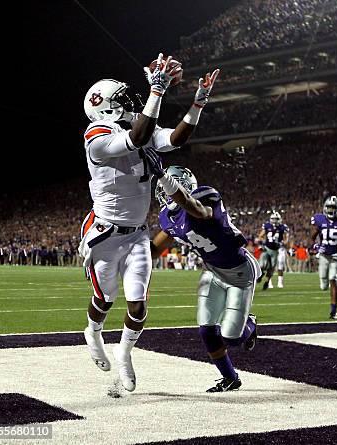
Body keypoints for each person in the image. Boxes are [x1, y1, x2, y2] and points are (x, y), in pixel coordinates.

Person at [80, 53, 219, 392]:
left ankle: (125, 353)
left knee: (138, 304)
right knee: (104, 300)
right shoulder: (97, 133)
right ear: (105, 107)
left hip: (137, 233)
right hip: (105, 232)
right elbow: (138, 138)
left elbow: (175, 140)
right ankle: (93, 331)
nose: (131, 100)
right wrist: (157, 90)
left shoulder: (137, 123)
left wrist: (198, 101)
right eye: (122, 98)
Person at [148, 161, 260, 393]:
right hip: (212, 270)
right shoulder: (167, 218)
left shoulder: (206, 196)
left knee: (231, 337)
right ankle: (230, 378)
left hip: (239, 271)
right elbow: (153, 250)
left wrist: (167, 181)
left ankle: (251, 323)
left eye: (169, 186)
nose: (164, 193)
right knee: (207, 330)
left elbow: (197, 210)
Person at [257, 211, 289, 290]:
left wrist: (282, 243)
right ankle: (261, 275)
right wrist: (263, 242)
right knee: (262, 265)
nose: (275, 221)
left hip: (275, 251)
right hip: (267, 248)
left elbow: (286, 239)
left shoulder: (282, 227)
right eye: (273, 219)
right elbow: (260, 236)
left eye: (276, 219)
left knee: (271, 268)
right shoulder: (267, 225)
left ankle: (267, 282)